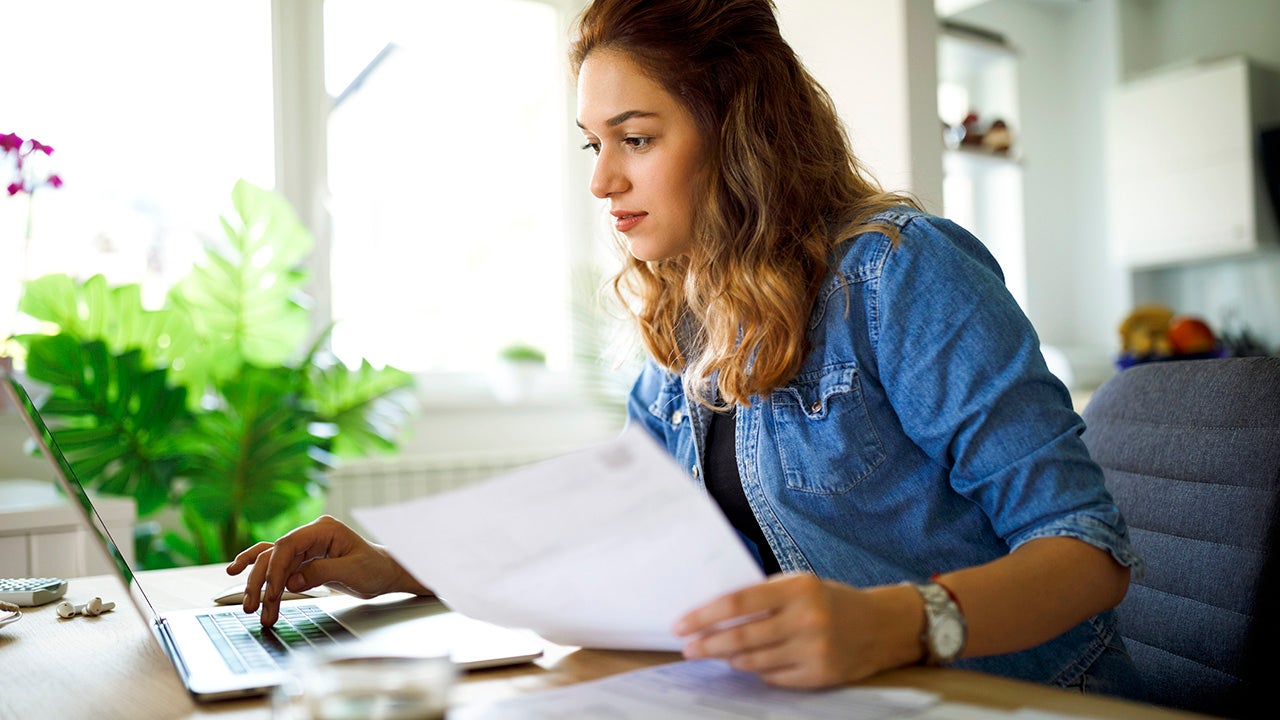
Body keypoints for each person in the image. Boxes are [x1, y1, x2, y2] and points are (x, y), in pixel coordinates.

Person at [228, 0, 1144, 696]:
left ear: (739, 130)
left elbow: (1087, 553)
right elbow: (632, 529)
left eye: (635, 138)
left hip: (1020, 697)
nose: (601, 178)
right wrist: (395, 564)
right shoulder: (685, 310)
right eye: (594, 142)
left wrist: (898, 623)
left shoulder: (899, 274)